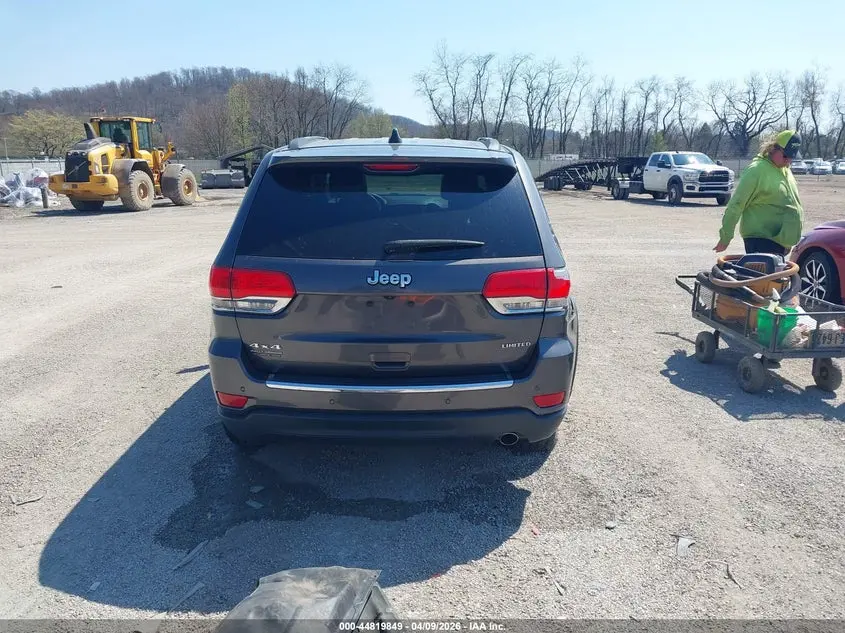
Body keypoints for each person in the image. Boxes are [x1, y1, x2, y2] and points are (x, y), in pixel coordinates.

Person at [713, 130, 804, 257]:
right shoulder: (756, 170)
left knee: (778, 277)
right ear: (773, 148)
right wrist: (726, 236)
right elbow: (736, 205)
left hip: (779, 242)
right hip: (761, 240)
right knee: (767, 277)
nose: (788, 161)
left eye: (792, 157)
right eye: (785, 156)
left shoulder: (785, 170)